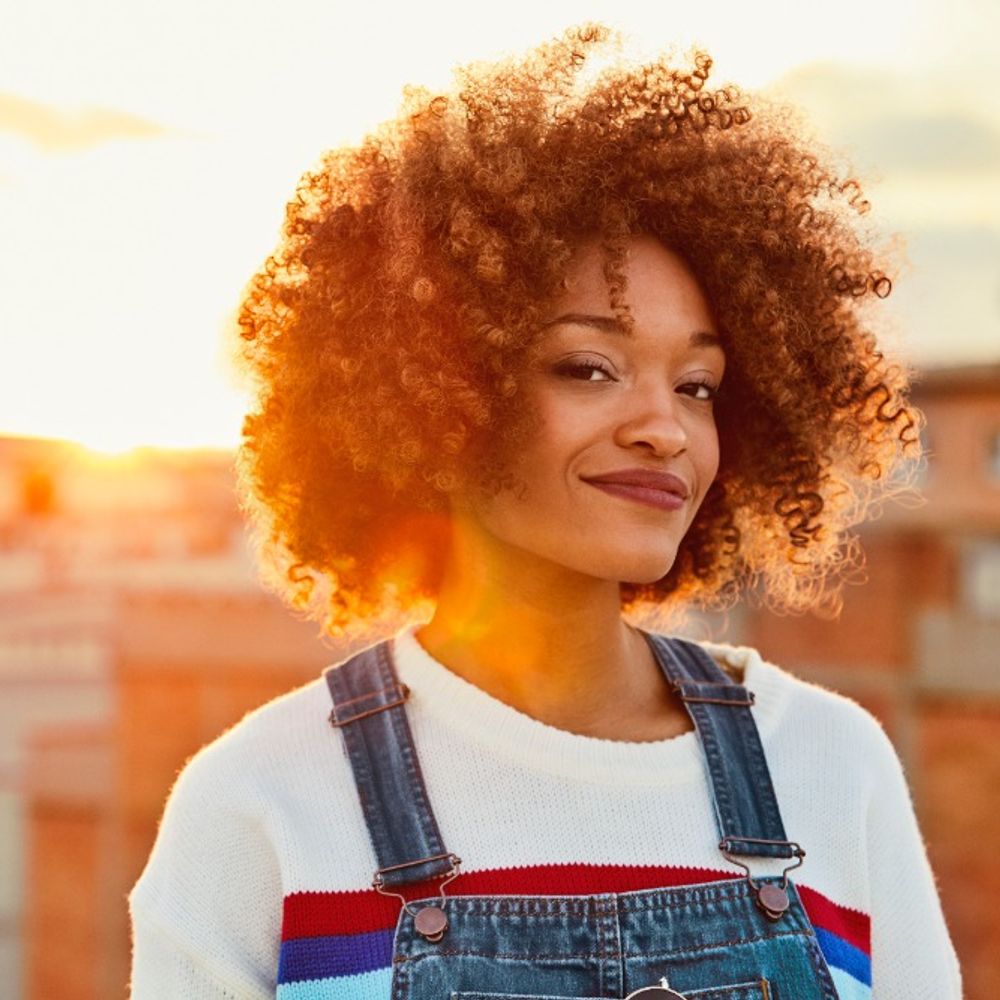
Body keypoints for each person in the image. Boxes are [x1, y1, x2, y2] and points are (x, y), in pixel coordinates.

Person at [128, 23, 961, 1000]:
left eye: (698, 384)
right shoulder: (259, 802)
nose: (664, 428)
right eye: (588, 367)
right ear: (430, 390)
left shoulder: (826, 764)